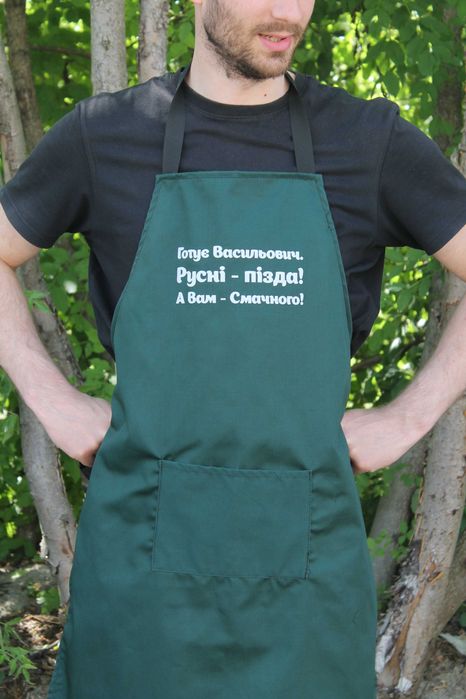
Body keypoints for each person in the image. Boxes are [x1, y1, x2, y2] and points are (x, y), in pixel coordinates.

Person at [0, 1, 465, 697]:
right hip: (140, 574)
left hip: (305, 579)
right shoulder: (108, 136)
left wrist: (410, 415)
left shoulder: (367, 142)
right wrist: (53, 400)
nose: (287, 13)